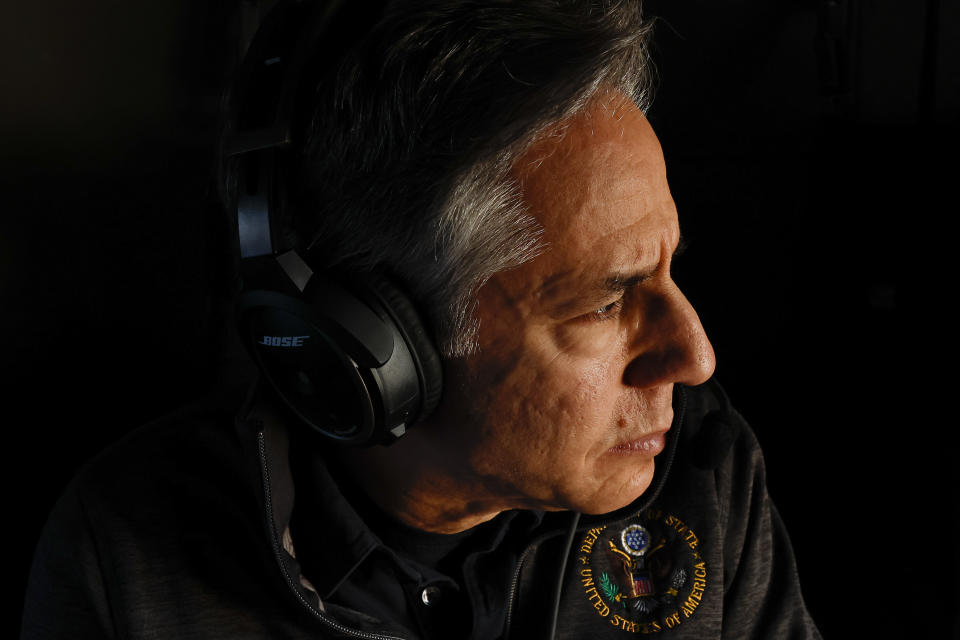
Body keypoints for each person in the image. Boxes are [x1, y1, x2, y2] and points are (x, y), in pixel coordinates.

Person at [21, 1, 822, 638]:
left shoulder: (705, 473)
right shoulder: (123, 556)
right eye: (605, 303)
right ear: (377, 345)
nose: (695, 356)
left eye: (668, 269)